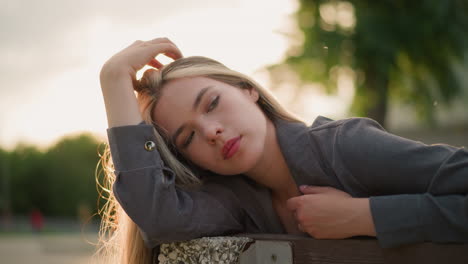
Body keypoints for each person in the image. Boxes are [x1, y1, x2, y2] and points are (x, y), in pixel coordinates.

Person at [96, 38, 468, 264]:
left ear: (247, 89)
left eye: (211, 104)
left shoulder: (343, 146)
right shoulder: (233, 200)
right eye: (188, 138)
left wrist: (365, 216)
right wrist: (114, 82)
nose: (211, 132)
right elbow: (159, 217)